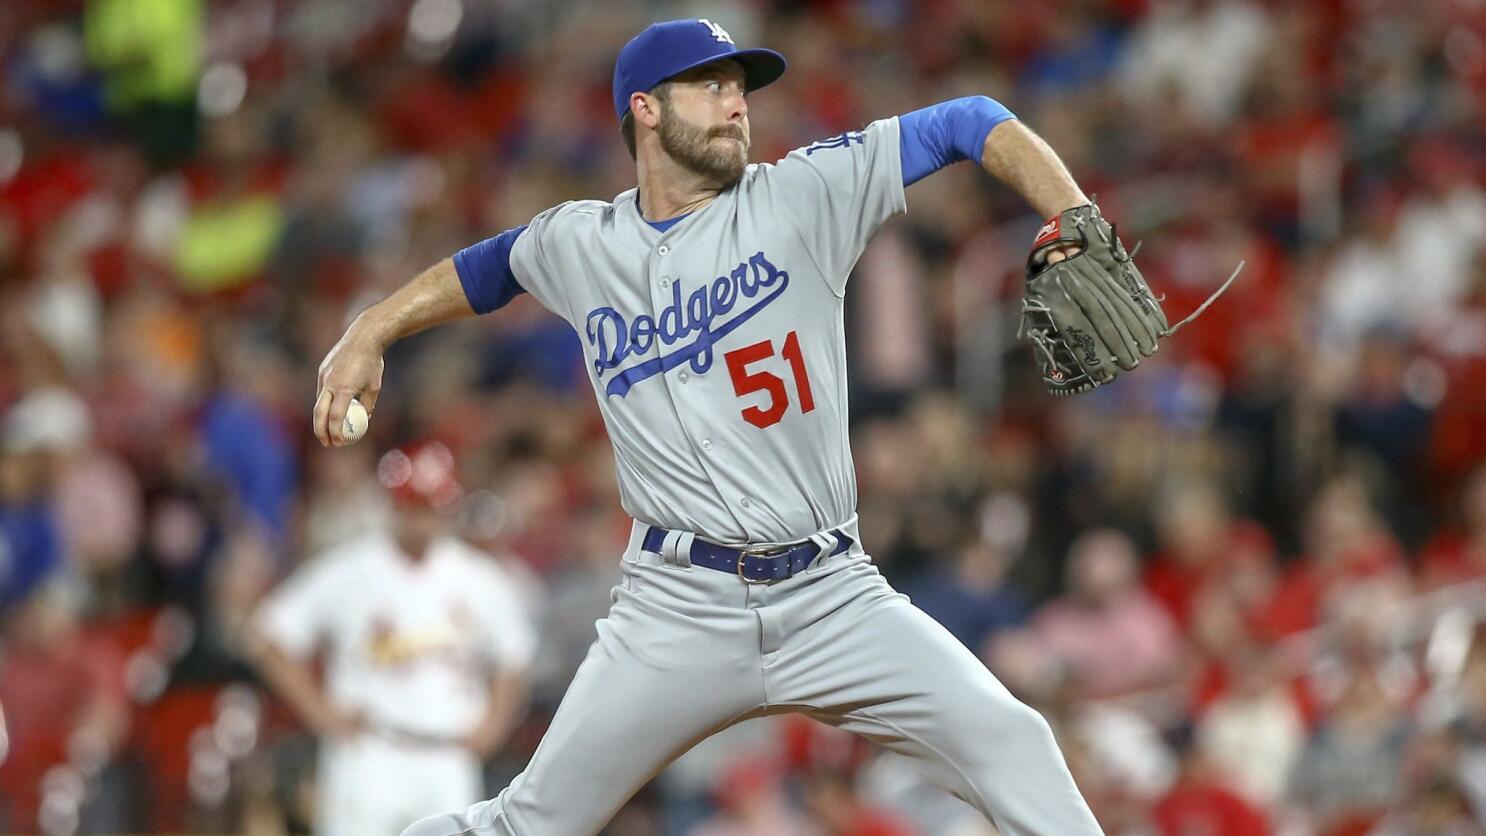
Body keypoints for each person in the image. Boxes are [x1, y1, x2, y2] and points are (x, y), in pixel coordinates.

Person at [316, 18, 1104, 835]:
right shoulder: (581, 242)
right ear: (646, 109)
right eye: (713, 86)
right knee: (529, 823)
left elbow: (969, 118)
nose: (738, 107)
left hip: (830, 592)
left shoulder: (802, 195)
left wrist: (1072, 212)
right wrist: (371, 327)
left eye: (741, 89)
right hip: (675, 609)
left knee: (1012, 741)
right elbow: (484, 271)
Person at [248, 441, 535, 836]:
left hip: (448, 754)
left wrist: (494, 724)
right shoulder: (353, 569)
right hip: (369, 753)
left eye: (429, 506)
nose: (421, 519)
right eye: (411, 505)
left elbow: (515, 658)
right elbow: (270, 636)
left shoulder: (478, 577)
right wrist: (319, 712)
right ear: (393, 505)